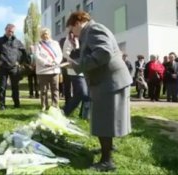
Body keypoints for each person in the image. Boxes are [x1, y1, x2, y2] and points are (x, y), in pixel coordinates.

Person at [66, 11, 132, 171]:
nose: (72, 34)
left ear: (77, 23)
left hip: (110, 81)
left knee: (104, 120)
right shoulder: (90, 31)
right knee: (107, 119)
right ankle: (108, 148)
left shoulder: (93, 29)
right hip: (108, 80)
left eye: (71, 30)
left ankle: (106, 161)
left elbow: (104, 52)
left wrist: (77, 65)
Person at [0, 24, 27, 110]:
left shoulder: (17, 42)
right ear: (5, 30)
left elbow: (25, 53)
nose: (11, 33)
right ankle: (2, 105)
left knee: (15, 87)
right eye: (9, 31)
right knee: (2, 87)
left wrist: (19, 62)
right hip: (3, 67)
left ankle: (16, 104)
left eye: (12, 31)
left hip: (14, 68)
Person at [62, 31, 90, 119]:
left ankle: (84, 114)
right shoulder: (69, 40)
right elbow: (65, 54)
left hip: (86, 69)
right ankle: (66, 111)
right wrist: (75, 62)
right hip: (75, 70)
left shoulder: (86, 38)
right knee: (82, 92)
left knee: (82, 94)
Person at [34, 28, 63, 111]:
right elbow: (37, 56)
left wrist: (55, 61)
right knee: (43, 90)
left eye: (46, 34)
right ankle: (44, 106)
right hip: (42, 71)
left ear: (49, 34)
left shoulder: (55, 43)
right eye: (43, 34)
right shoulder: (38, 44)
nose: (45, 35)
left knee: (55, 89)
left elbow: (60, 55)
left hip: (54, 70)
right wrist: (46, 63)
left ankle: (55, 106)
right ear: (41, 35)